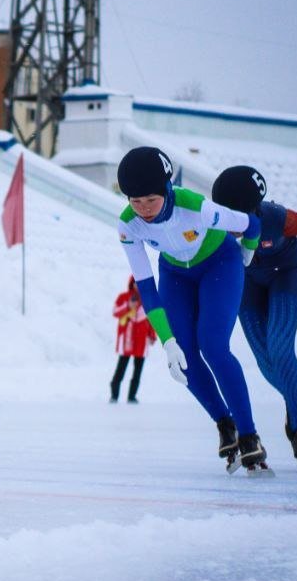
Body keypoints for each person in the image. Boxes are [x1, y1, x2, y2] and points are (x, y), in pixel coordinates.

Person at [114, 146, 267, 472]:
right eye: (135, 201)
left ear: (167, 188)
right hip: (175, 275)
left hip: (220, 264)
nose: (144, 210)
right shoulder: (128, 225)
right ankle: (224, 423)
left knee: (212, 346)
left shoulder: (198, 208)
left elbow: (251, 224)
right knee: (183, 354)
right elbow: (147, 288)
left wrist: (249, 252)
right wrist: (167, 342)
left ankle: (250, 435)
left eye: (151, 200)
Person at [211, 165, 297, 467]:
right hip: (247, 282)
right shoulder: (214, 223)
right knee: (264, 358)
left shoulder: (276, 218)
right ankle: (294, 401)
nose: (231, 227)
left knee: (281, 349)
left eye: (238, 220)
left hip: (285, 274)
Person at [110, 275, 155, 404]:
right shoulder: (123, 297)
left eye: (139, 282)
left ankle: (132, 397)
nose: (137, 285)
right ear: (131, 283)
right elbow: (115, 312)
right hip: (127, 341)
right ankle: (114, 396)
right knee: (121, 369)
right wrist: (128, 306)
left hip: (141, 341)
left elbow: (151, 318)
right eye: (135, 282)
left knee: (137, 372)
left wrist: (152, 335)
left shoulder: (147, 299)